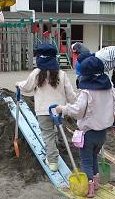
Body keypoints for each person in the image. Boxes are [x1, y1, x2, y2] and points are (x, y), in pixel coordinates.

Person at [53, 56, 115, 198]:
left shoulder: (87, 92)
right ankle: (96, 183)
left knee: (86, 161)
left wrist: (62, 109)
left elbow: (77, 111)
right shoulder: (109, 88)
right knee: (94, 157)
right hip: (102, 133)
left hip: (89, 133)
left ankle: (89, 188)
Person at [16, 44, 76, 172]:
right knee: (54, 130)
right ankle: (54, 148)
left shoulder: (37, 73)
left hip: (43, 111)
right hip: (59, 110)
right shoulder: (62, 74)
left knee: (47, 134)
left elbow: (27, 87)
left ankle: (53, 160)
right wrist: (75, 105)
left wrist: (18, 84)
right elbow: (70, 94)